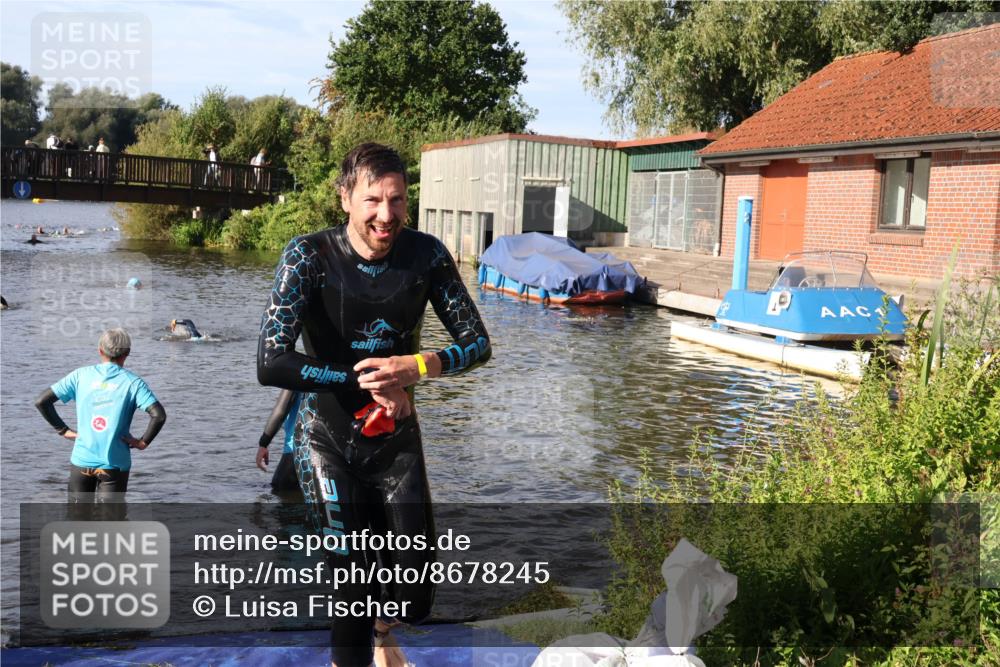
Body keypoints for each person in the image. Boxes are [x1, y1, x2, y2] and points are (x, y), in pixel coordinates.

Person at [256, 142, 491, 667]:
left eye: (398, 200)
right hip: (325, 438)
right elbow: (271, 362)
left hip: (394, 438)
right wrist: (362, 378)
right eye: (372, 200)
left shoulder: (426, 255)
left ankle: (386, 629)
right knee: (350, 580)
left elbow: (478, 343)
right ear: (345, 198)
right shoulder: (308, 256)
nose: (386, 216)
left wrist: (417, 367)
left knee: (416, 595)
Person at [35, 328, 166, 505]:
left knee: (77, 517)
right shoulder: (133, 383)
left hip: (82, 460)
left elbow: (42, 401)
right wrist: (142, 442)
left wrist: (63, 430)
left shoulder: (80, 376)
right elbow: (158, 415)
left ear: (100, 350)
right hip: (115, 464)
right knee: (111, 522)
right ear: (127, 353)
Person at [255, 389, 302, 493]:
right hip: (332, 455)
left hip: (298, 453)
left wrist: (264, 444)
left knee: (279, 494)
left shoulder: (298, 373)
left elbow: (281, 411)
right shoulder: (342, 373)